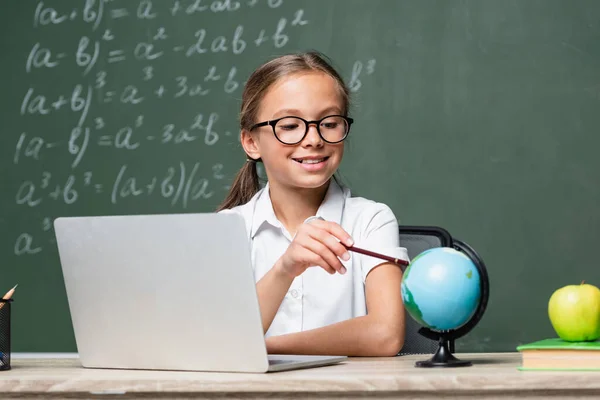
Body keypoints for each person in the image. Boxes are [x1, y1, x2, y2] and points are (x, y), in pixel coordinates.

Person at [217, 51, 408, 357]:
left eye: (329, 123)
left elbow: (385, 335)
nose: (314, 139)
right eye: (290, 126)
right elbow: (215, 340)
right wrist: (285, 268)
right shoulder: (225, 230)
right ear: (251, 142)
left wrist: (262, 347)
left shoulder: (371, 219)